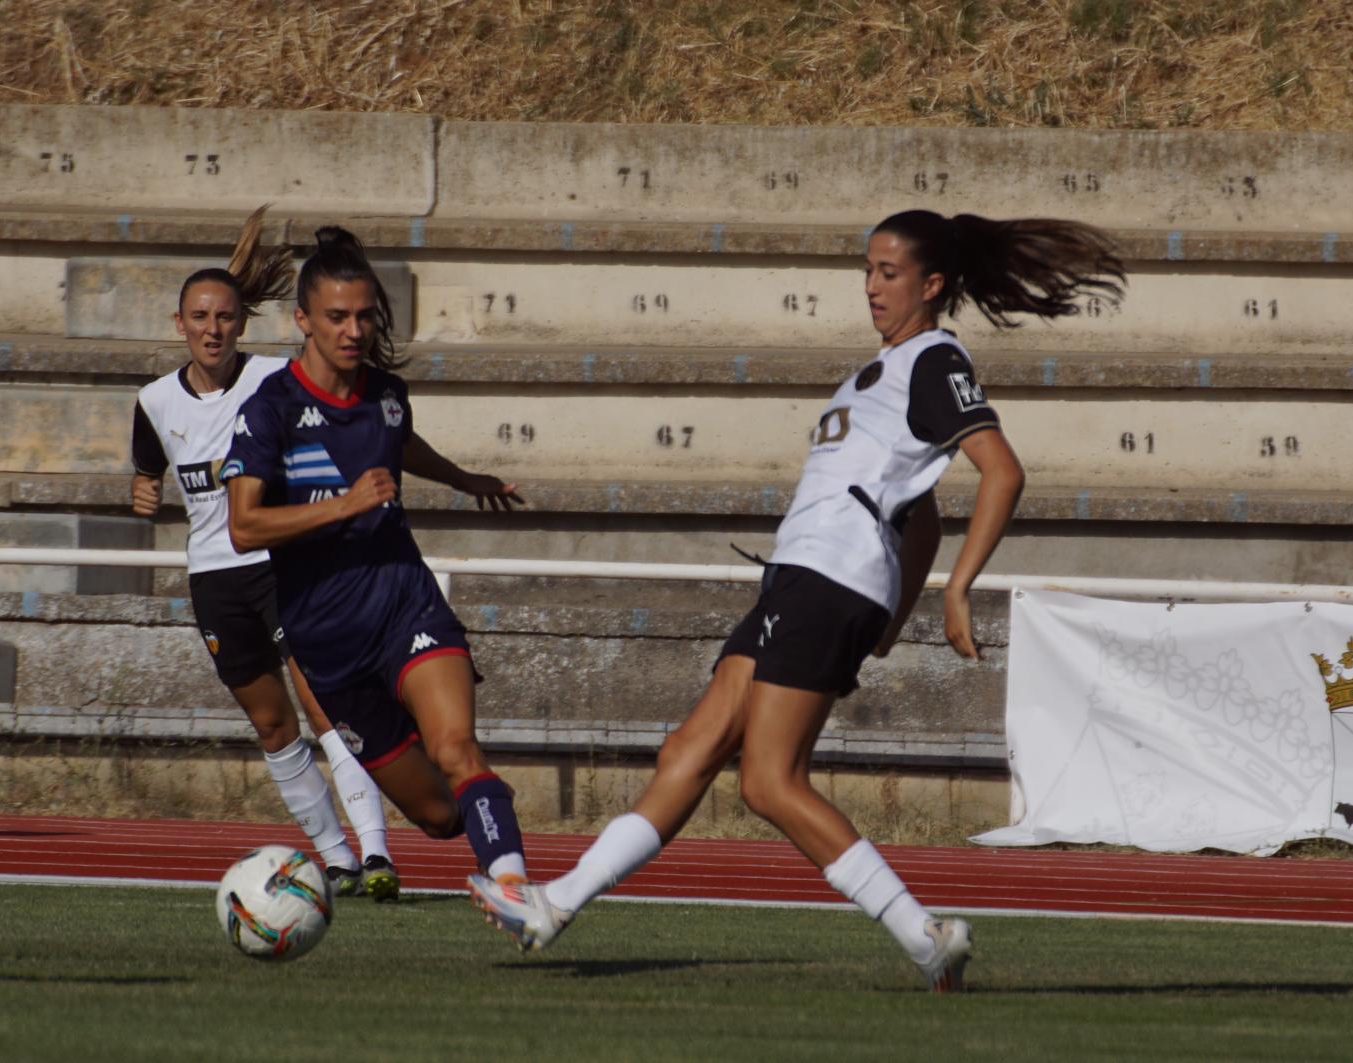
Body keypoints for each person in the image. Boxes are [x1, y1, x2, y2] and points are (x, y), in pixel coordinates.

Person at [471, 210, 1125, 991]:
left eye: (890, 272)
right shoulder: (875, 373)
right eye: (869, 270)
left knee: (768, 782)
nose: (874, 286)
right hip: (802, 577)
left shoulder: (934, 358)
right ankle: (554, 904)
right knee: (690, 749)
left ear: (933, 284)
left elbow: (1003, 472)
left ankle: (925, 933)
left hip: (828, 579)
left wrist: (956, 591)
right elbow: (920, 515)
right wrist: (895, 614)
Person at [220, 225, 531, 891]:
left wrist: (463, 479)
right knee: (441, 814)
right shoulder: (270, 409)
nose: (354, 330)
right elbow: (243, 527)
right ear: (302, 318)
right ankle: (480, 814)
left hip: (404, 604)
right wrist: (343, 504)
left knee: (456, 748)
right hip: (330, 645)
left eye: (365, 316)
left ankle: (514, 886)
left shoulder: (386, 395)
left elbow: (401, 442)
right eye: (337, 316)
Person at [130, 207, 398, 899]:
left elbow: (337, 411)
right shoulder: (155, 400)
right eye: (199, 316)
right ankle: (334, 856)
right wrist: (143, 487)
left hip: (284, 565)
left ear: (241, 323)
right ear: (179, 323)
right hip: (215, 580)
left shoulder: (274, 380)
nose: (212, 328)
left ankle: (375, 854)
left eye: (224, 316)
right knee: (271, 722)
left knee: (323, 703)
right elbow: (148, 464)